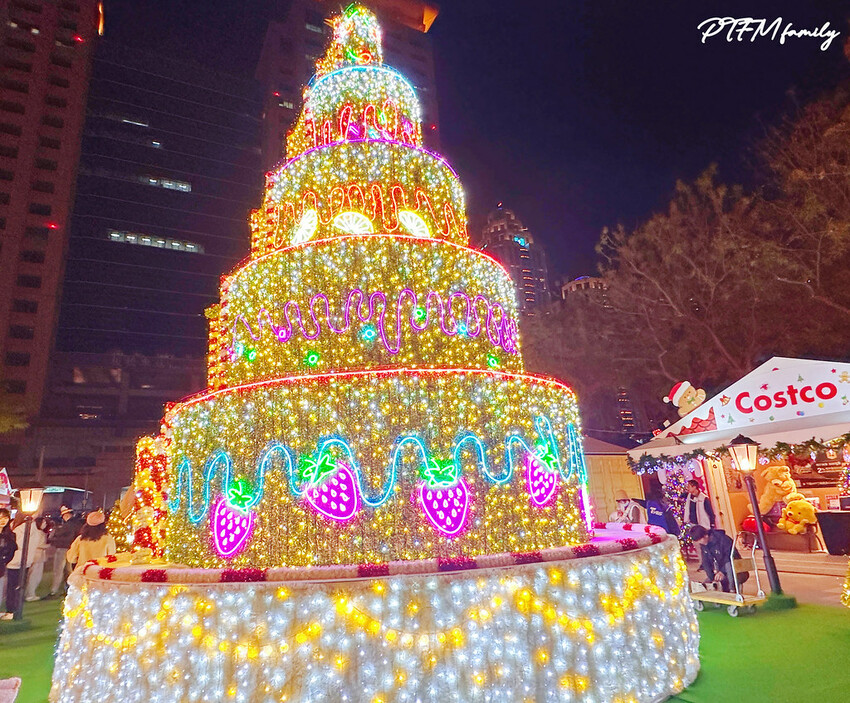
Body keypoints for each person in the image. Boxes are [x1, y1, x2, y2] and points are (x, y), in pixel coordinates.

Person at [4, 513, 46, 616]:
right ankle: (16, 608)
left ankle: (11, 609)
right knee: (20, 585)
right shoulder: (34, 529)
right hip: (26, 560)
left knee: (11, 587)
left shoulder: (19, 529)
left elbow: (15, 544)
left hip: (14, 560)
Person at [690, 524, 748, 593]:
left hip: (736, 569)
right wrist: (712, 578)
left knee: (728, 565)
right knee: (706, 585)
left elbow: (730, 557)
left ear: (706, 535)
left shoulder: (723, 539)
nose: (700, 542)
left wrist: (722, 572)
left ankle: (732, 590)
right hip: (720, 570)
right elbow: (706, 562)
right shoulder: (704, 545)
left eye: (700, 540)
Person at [47, 506, 82, 597]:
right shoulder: (77, 524)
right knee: (69, 570)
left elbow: (59, 535)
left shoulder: (67, 525)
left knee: (58, 570)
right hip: (72, 549)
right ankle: (70, 589)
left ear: (66, 515)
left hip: (63, 548)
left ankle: (54, 590)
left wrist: (53, 538)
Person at [24, 516, 51, 601]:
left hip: (39, 556)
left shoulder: (40, 532)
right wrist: (48, 546)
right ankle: (30, 594)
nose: (45, 524)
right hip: (37, 556)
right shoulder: (38, 533)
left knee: (35, 576)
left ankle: (30, 593)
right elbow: (38, 545)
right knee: (34, 576)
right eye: (43, 522)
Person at [0, 508, 17, 619]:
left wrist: (4, 560)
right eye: (0, 517)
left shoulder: (10, 535)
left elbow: (12, 551)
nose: (3, 520)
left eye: (5, 518)